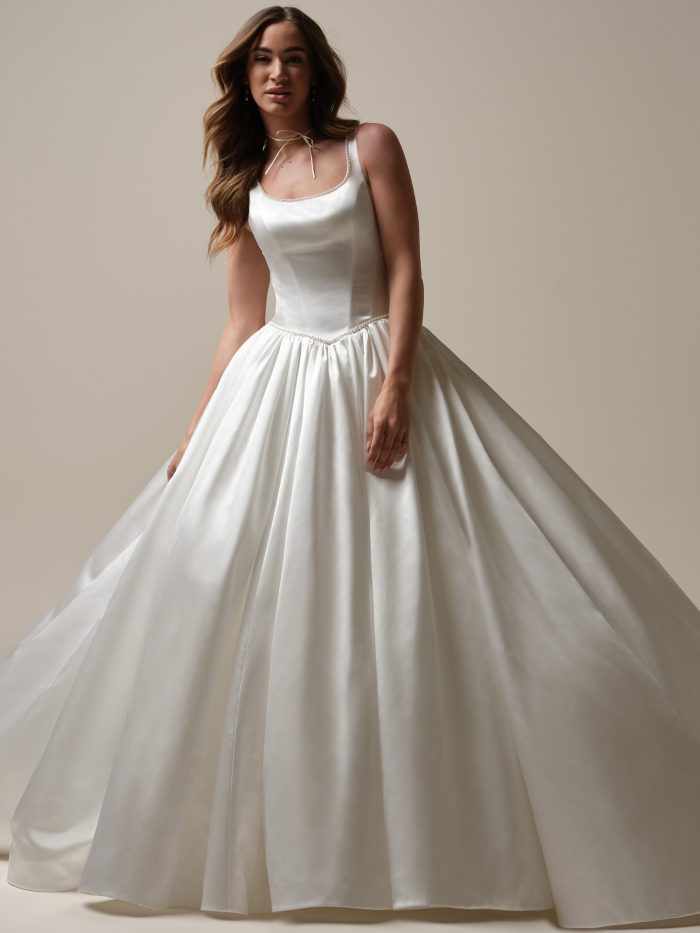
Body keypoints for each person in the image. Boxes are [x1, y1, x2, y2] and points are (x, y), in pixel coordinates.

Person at [2, 5, 700, 928]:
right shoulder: (250, 177)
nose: (277, 74)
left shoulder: (371, 145)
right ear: (243, 77)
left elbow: (408, 267)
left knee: (450, 596)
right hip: (273, 387)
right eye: (262, 60)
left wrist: (396, 382)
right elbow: (242, 319)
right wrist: (198, 426)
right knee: (215, 593)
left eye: (292, 58)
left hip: (375, 365)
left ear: (317, 70)